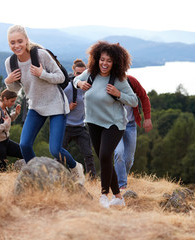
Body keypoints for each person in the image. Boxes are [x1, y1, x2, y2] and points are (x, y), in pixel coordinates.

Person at [4, 25, 85, 184]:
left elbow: (61, 78)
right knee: (24, 145)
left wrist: (43, 74)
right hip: (36, 106)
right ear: (9, 44)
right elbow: (16, 88)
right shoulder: (10, 62)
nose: (17, 45)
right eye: (12, 43)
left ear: (26, 40)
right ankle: (37, 176)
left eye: (20, 41)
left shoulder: (41, 55)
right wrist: (8, 82)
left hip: (56, 105)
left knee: (55, 150)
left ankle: (76, 168)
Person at [73, 41, 138, 208]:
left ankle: (104, 195)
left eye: (109, 61)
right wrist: (80, 84)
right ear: (97, 59)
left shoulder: (119, 79)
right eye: (102, 59)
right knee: (106, 158)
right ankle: (118, 197)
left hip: (114, 124)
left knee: (104, 156)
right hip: (93, 122)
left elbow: (134, 100)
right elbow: (75, 80)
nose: (104, 63)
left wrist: (118, 94)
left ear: (115, 62)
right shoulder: (90, 73)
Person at [114, 75, 153, 190]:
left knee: (129, 159)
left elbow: (144, 97)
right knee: (119, 153)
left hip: (130, 124)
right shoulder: (108, 82)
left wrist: (147, 118)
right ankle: (121, 185)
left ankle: (120, 178)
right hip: (114, 125)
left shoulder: (131, 81)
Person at [62, 59, 96, 180]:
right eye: (77, 73)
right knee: (59, 154)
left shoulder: (88, 88)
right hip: (66, 127)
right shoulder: (68, 88)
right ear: (73, 73)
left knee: (88, 155)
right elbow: (55, 106)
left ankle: (92, 180)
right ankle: (57, 177)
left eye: (83, 73)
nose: (80, 76)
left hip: (80, 126)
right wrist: (67, 108)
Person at [0, 89, 23, 171]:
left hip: (5, 142)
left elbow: (7, 120)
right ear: (5, 99)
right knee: (1, 171)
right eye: (12, 101)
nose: (13, 103)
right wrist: (5, 125)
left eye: (14, 101)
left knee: (24, 153)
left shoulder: (4, 108)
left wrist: (16, 114)